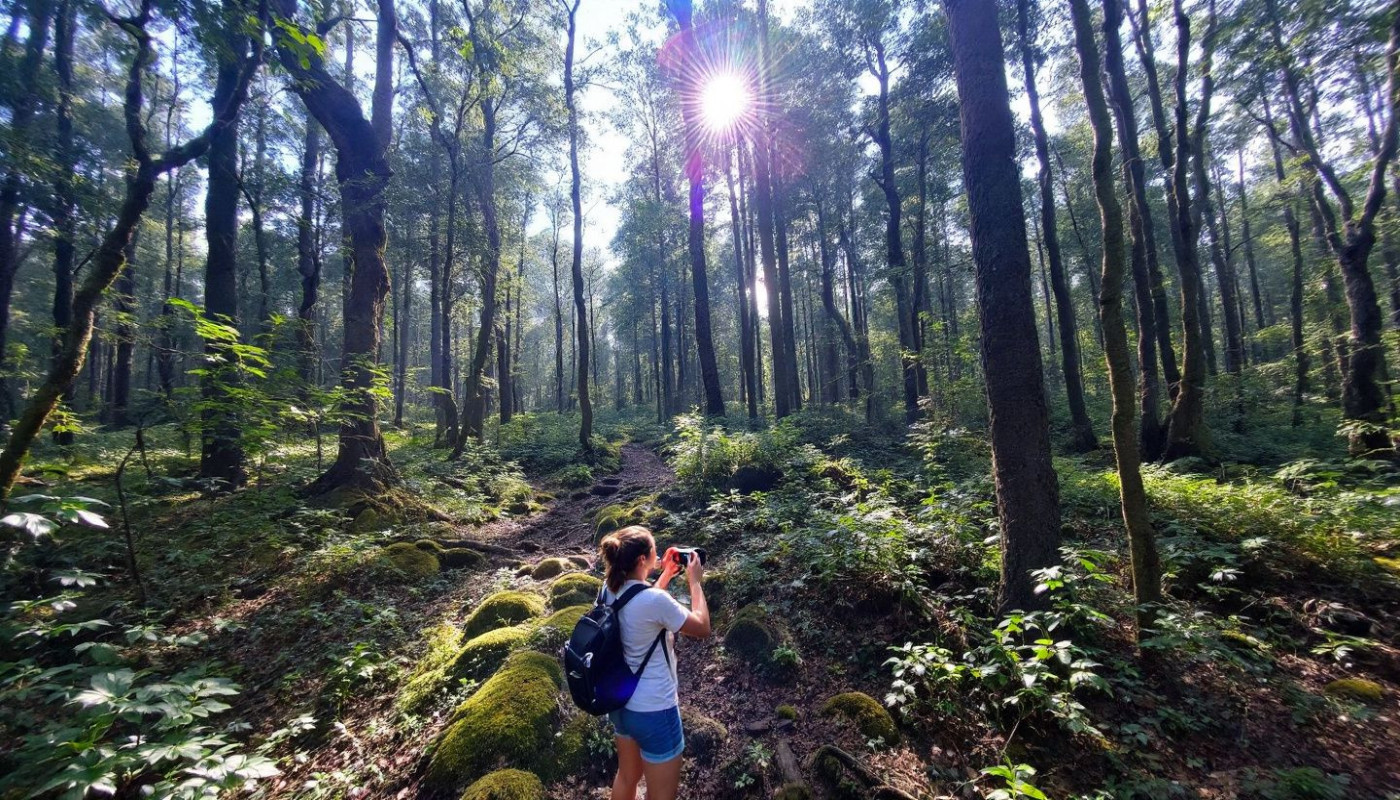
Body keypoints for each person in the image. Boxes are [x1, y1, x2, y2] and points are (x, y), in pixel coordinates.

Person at [597, 525, 711, 800]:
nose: (658, 555)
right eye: (654, 551)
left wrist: (667, 575)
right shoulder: (655, 601)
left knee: (627, 777)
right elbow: (702, 627)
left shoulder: (608, 590)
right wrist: (694, 582)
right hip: (655, 711)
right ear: (641, 560)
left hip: (621, 705)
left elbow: (640, 608)